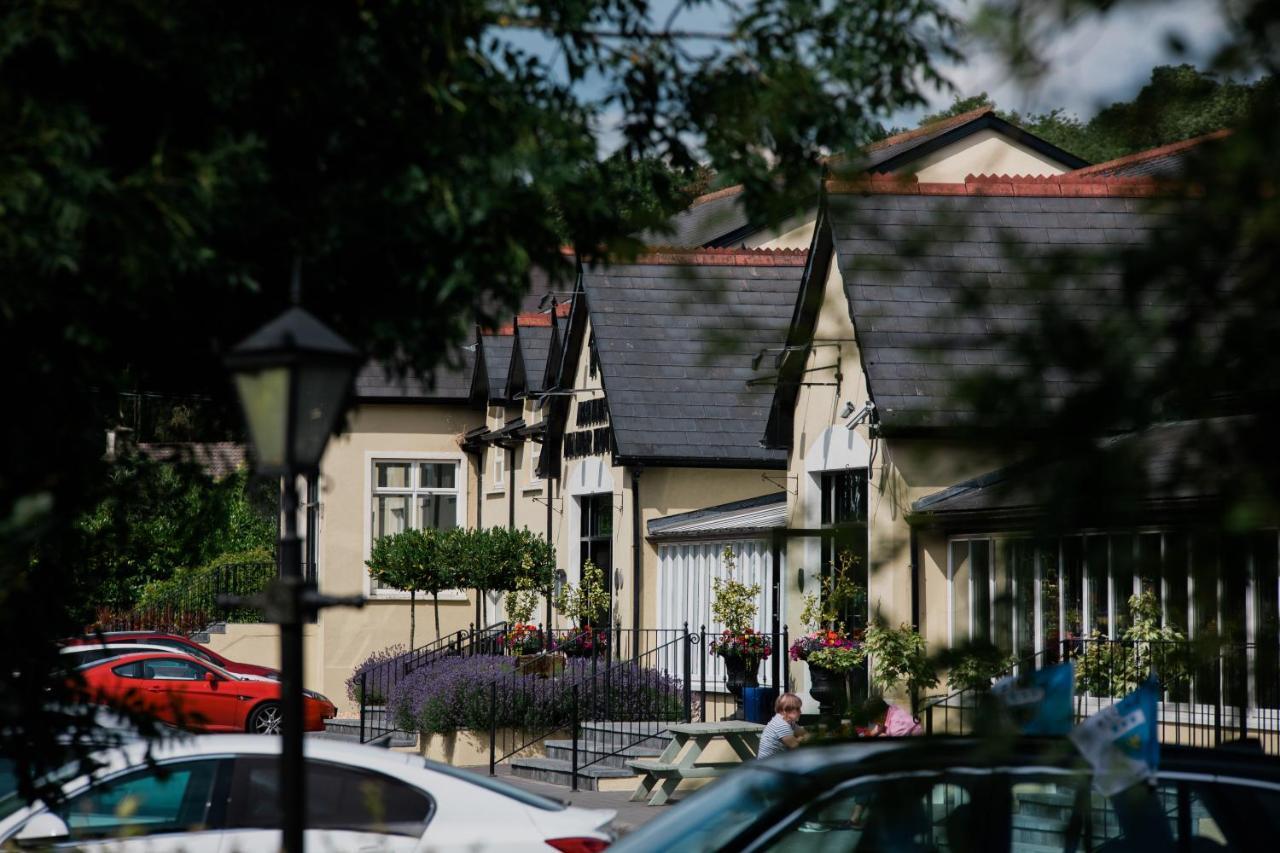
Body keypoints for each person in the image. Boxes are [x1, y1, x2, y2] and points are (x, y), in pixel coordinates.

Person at [756, 692, 806, 760]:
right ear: (786, 709)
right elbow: (797, 747)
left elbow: (804, 733)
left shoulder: (787, 721)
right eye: (797, 709)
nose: (800, 712)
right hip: (769, 767)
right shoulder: (781, 724)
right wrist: (802, 739)